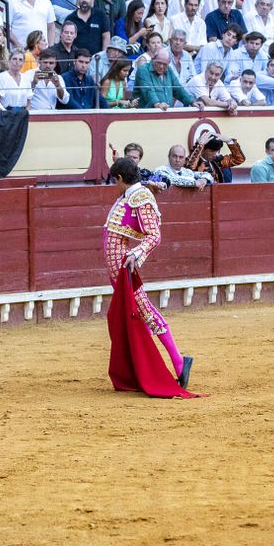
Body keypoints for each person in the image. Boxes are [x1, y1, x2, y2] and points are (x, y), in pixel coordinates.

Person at [102, 156, 197, 397]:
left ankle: (178, 361)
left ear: (121, 179)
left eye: (116, 181)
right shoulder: (132, 194)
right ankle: (145, 366)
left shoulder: (140, 196)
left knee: (144, 310)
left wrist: (136, 254)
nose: (115, 186)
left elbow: (154, 235)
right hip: (120, 269)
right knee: (133, 314)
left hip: (125, 268)